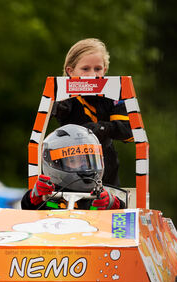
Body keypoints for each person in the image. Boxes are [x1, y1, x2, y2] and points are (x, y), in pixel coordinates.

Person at [22, 124, 131, 282]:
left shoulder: (100, 195)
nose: (83, 167)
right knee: (45, 248)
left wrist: (111, 204)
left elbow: (123, 218)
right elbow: (26, 206)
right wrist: (36, 195)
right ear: (54, 163)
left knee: (109, 249)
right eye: (74, 161)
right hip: (54, 255)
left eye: (86, 160)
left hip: (91, 254)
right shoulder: (48, 194)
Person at [54, 38, 133, 187]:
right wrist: (58, 107)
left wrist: (101, 128)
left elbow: (128, 130)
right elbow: (59, 113)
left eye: (97, 69)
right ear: (70, 71)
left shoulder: (115, 93)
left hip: (107, 170)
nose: (92, 75)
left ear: (105, 70)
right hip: (70, 169)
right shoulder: (64, 95)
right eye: (85, 69)